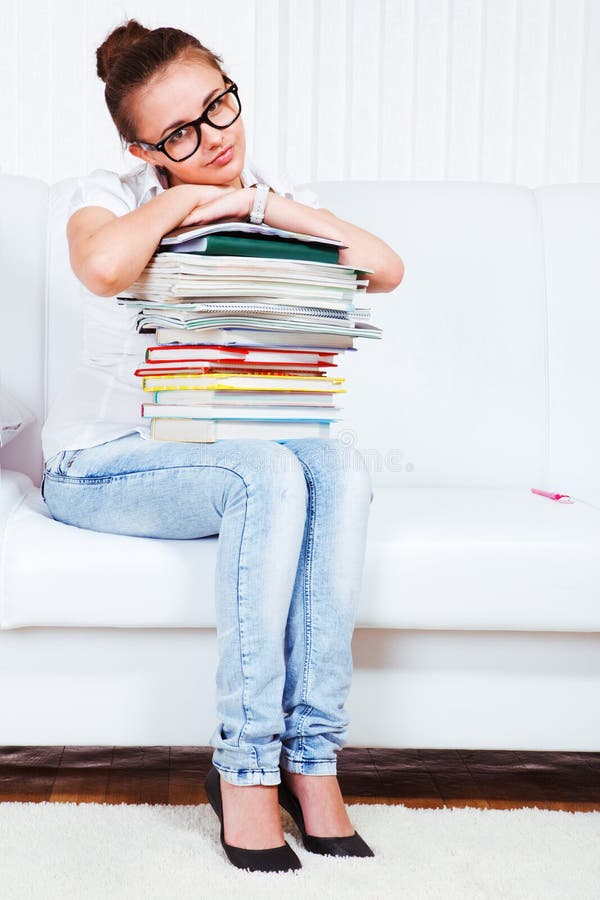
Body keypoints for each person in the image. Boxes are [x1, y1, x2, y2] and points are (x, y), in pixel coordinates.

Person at [41, 19, 405, 873]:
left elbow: (384, 270)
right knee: (269, 470)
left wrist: (254, 202)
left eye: (218, 107)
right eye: (178, 134)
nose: (213, 139)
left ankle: (313, 764)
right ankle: (244, 772)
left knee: (338, 464)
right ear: (141, 144)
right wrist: (180, 195)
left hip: (220, 457)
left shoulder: (272, 191)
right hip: (101, 467)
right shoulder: (104, 192)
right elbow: (102, 267)